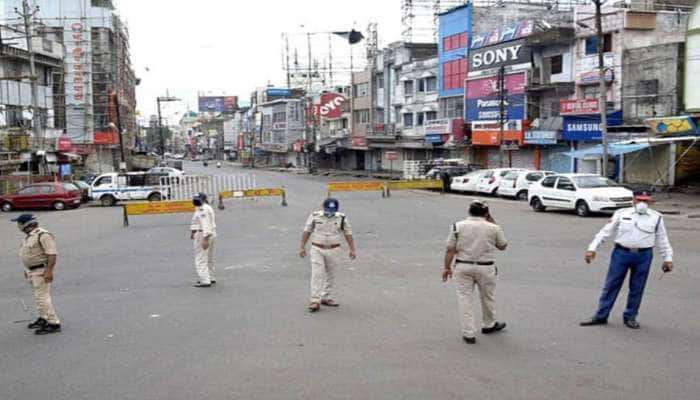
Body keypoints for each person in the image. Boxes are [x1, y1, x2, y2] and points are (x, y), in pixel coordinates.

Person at [581, 190, 673, 329]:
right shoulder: (622, 213)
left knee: (637, 288)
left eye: (645, 201)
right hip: (621, 253)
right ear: (633, 200)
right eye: (639, 200)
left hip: (644, 255)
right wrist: (592, 248)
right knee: (611, 285)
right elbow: (605, 232)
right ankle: (601, 316)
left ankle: (630, 316)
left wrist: (668, 258)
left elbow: (662, 239)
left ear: (650, 202)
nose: (642, 203)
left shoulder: (656, 217)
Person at [442, 200, 508, 344]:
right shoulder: (493, 228)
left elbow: (450, 249)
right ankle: (489, 324)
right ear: (486, 213)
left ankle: (469, 333)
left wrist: (447, 268)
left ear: (469, 212)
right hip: (486, 267)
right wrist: (492, 221)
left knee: (464, 299)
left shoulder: (457, 226)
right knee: (487, 297)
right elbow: (503, 246)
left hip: (463, 266)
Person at [300, 198, 356, 312]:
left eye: (332, 210)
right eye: (328, 209)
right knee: (317, 274)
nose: (330, 212)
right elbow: (307, 231)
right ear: (323, 207)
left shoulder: (341, 218)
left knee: (331, 274)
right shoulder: (315, 216)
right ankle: (315, 300)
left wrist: (352, 249)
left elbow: (348, 233)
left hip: (334, 249)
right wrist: (302, 246)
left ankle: (326, 296)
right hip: (317, 248)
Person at [13, 214, 62, 335]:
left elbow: (52, 254)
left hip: (41, 271)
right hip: (32, 271)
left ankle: (53, 323)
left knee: (43, 297)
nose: (18, 226)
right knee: (38, 297)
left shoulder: (43, 235)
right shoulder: (30, 236)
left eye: (19, 223)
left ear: (25, 224)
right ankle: (43, 317)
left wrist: (49, 271)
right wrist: (27, 270)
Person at [190, 192, 217, 287]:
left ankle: (205, 280)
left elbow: (205, 224)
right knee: (209, 257)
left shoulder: (203, 209)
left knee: (201, 258)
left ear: (203, 199)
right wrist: (193, 232)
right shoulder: (203, 207)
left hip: (204, 234)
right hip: (208, 233)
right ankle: (210, 277)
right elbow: (196, 221)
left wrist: (205, 238)